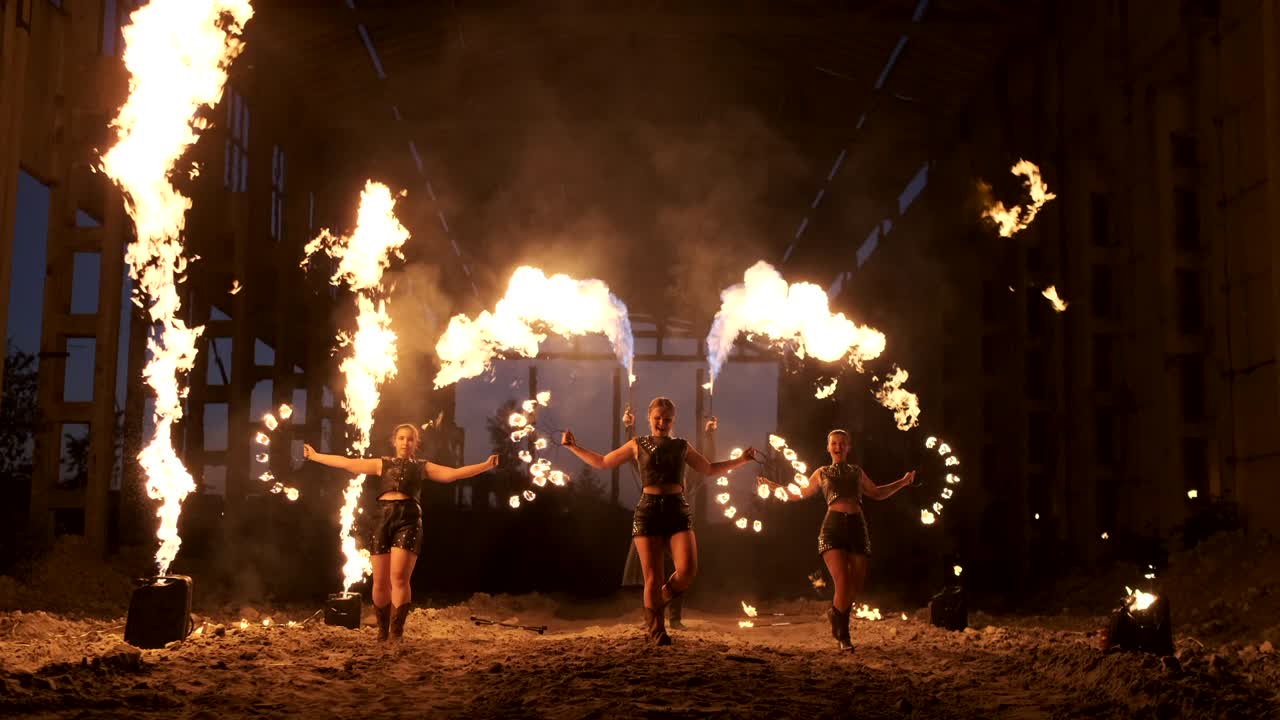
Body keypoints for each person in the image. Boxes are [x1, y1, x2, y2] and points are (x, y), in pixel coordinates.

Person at [563, 397, 757, 645]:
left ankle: (657, 602)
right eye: (657, 418)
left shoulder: (681, 446)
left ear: (673, 421)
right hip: (648, 512)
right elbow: (603, 462)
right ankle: (657, 630)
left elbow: (708, 469)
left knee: (687, 571)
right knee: (652, 577)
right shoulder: (637, 444)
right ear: (649, 418)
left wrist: (741, 460)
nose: (662, 423)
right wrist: (573, 447)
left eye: (667, 419)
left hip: (678, 510)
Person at [303, 423, 498, 642]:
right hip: (382, 519)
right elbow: (348, 463)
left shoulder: (422, 466)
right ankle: (382, 631)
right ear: (394, 441)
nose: (406, 442)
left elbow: (452, 474)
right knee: (379, 582)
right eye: (402, 438)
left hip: (408, 519)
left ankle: (396, 634)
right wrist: (316, 456)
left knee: (399, 579)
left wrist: (485, 465)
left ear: (416, 443)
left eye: (410, 439)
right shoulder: (382, 464)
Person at [768, 429, 914, 650]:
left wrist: (902, 482)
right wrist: (773, 487)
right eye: (834, 443)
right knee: (843, 583)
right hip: (833, 527)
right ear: (828, 447)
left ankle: (835, 614)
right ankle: (843, 635)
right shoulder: (822, 473)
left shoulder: (857, 472)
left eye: (842, 444)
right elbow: (799, 493)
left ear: (848, 447)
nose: (838, 447)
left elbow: (877, 493)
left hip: (858, 527)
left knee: (855, 586)